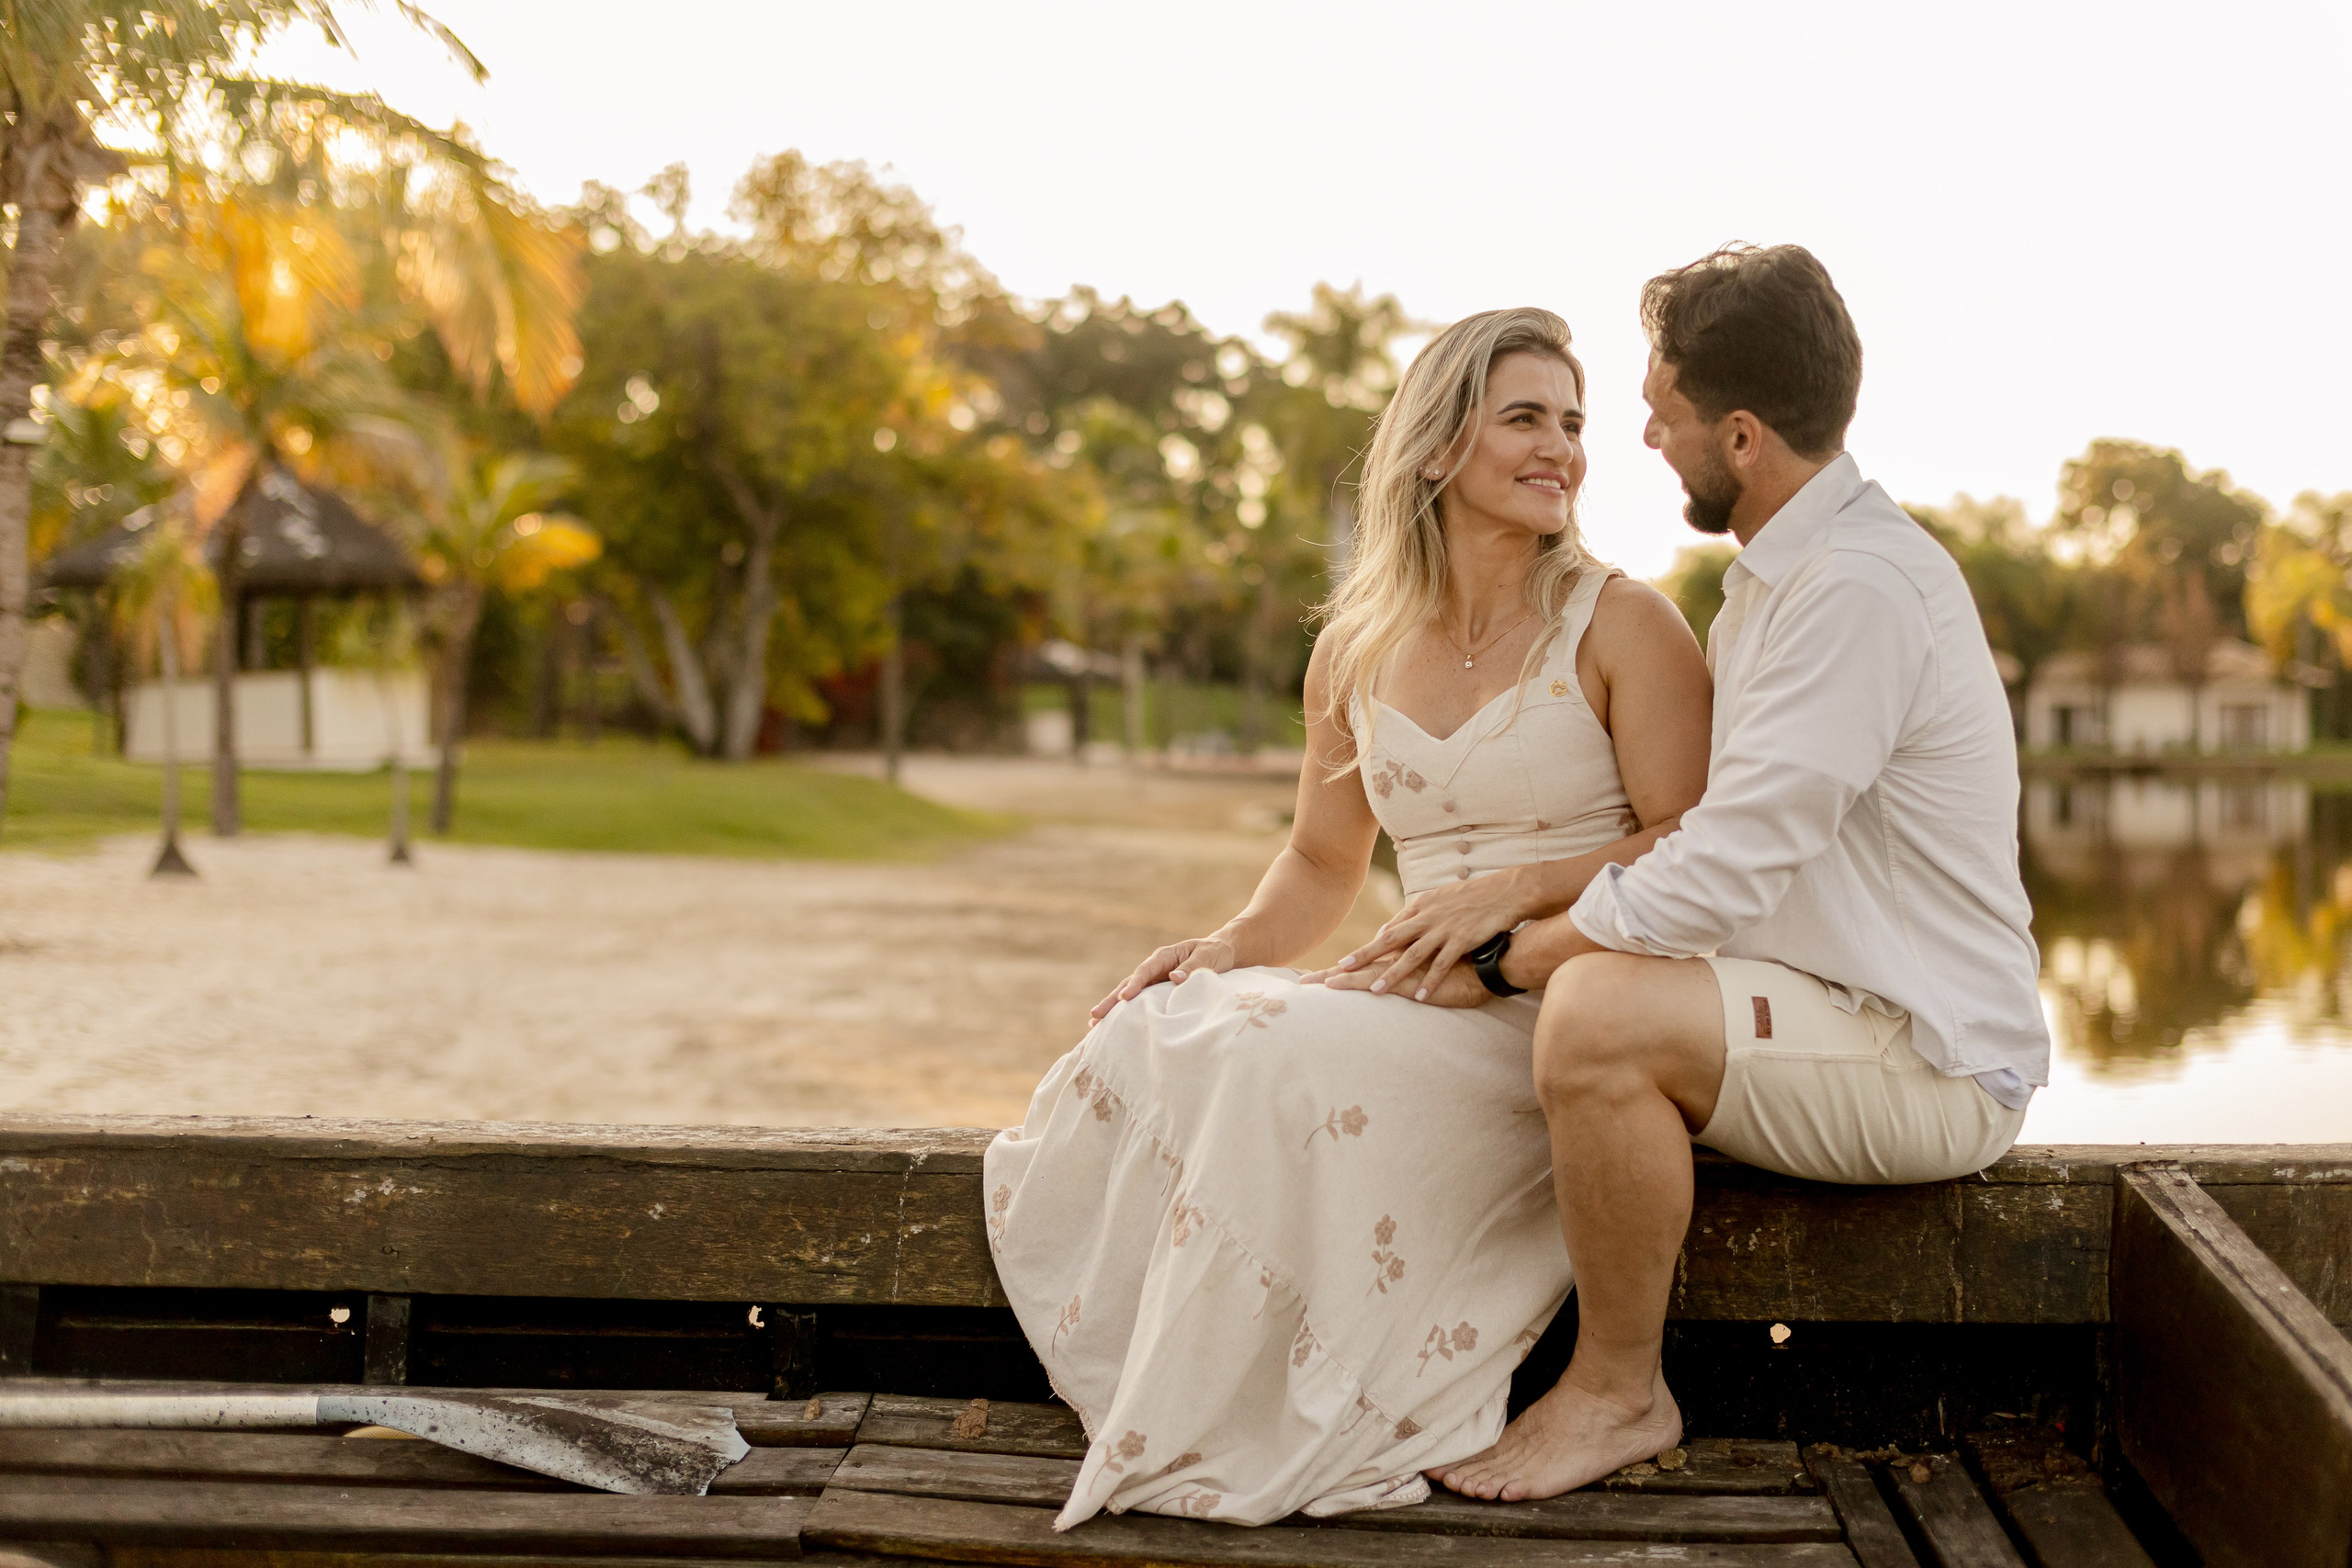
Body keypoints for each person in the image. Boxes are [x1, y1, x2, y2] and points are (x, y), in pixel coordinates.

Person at [1328, 243, 2051, 1502]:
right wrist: (1529, 900)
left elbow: (1722, 868)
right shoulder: (1779, 582)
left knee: (1596, 1014)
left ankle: (1619, 1391)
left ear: (1744, 437)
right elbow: (1716, 844)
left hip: (1926, 1054)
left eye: (1661, 410)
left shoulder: (1855, 588)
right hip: (1829, 1011)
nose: (1645, 434)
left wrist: (1505, 960)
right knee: (1566, 1004)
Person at [981, 307, 1713, 1527]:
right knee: (1169, 1024)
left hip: (1559, 1009)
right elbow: (1323, 863)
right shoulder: (1355, 652)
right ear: (1435, 449)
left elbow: (1692, 840)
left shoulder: (1625, 623)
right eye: (1525, 418)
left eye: (1572, 422)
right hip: (1414, 994)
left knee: (1270, 1047)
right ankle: (1172, 1394)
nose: (1562, 448)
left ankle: (1294, 1407)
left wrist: (1521, 890)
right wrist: (1225, 947)